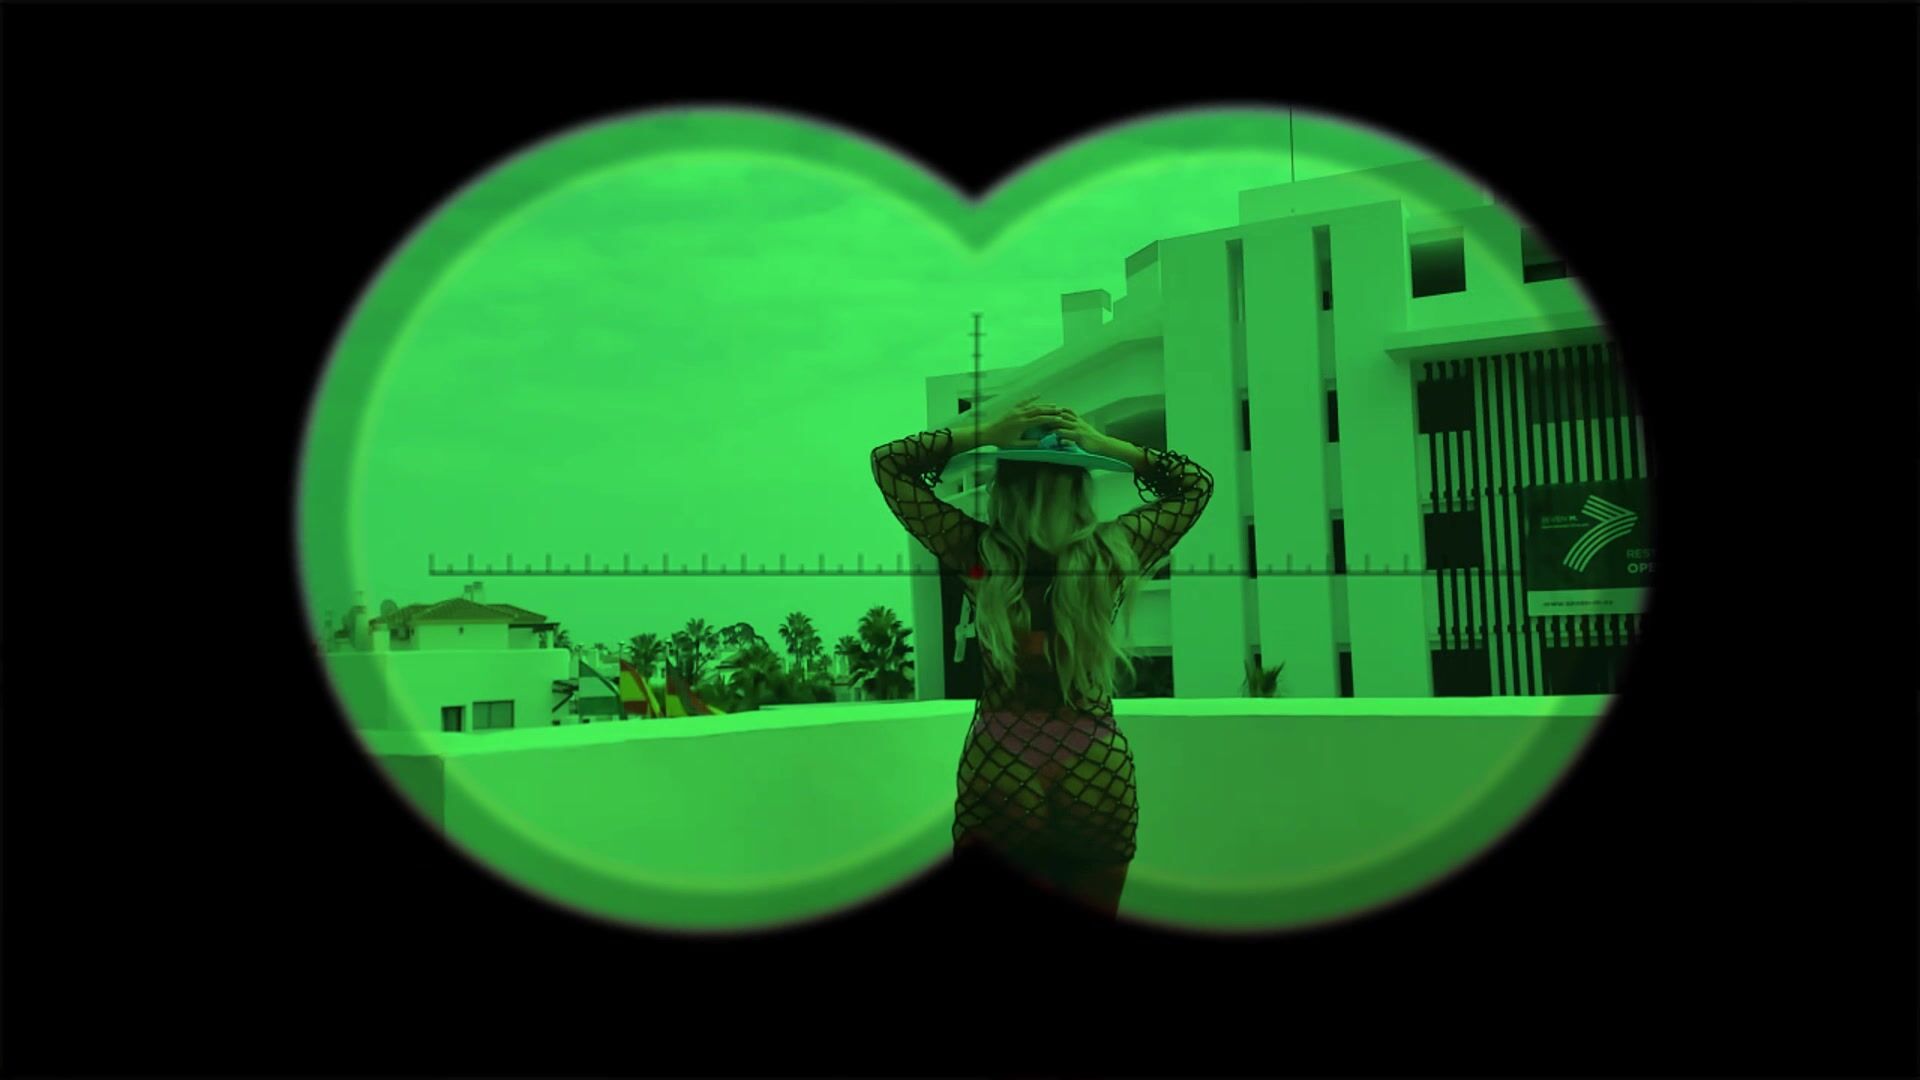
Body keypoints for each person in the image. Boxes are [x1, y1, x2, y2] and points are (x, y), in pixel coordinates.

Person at [871, 396, 1214, 923]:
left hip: (1002, 757)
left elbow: (889, 464)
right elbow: (1196, 486)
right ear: (1080, 488)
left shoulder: (981, 558)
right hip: (1094, 760)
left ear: (1006, 488)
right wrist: (1105, 446)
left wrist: (987, 432)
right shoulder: (1111, 553)